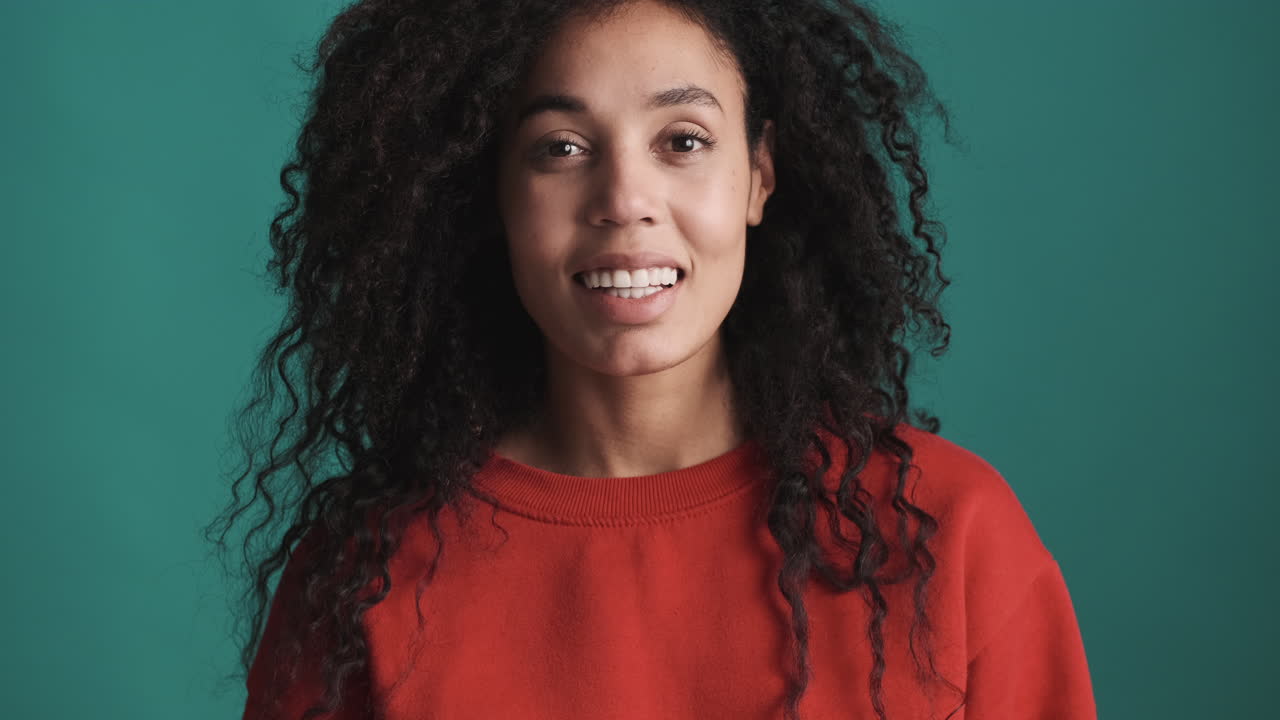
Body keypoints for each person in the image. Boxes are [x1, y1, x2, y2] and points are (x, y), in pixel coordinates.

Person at [211, 1, 1098, 718]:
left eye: (683, 140)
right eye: (560, 149)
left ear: (760, 175)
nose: (625, 199)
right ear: (493, 195)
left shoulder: (953, 536)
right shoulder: (363, 574)